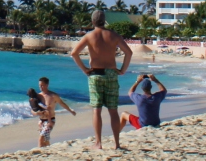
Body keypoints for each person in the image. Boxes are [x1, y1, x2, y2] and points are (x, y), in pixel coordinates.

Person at [70, 9, 133, 150]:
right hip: (111, 73)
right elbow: (129, 53)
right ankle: (117, 144)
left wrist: (85, 69)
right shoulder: (114, 35)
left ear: (92, 21)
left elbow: (74, 53)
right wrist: (123, 70)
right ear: (104, 20)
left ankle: (98, 143)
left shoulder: (89, 36)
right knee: (113, 110)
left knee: (96, 110)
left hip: (95, 74)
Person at [36, 76, 75, 146]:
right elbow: (34, 109)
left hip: (50, 121)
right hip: (41, 121)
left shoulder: (53, 96)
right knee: (45, 140)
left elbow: (62, 103)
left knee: (41, 138)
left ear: (47, 85)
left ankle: (40, 153)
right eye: (39, 85)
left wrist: (70, 111)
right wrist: (36, 113)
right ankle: (49, 149)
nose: (40, 87)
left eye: (42, 85)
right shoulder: (38, 96)